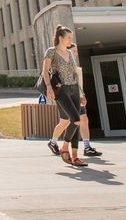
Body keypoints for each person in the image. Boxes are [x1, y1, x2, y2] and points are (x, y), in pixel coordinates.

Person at [42, 25, 87, 167]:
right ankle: (64, 147)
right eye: (68, 37)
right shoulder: (51, 52)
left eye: (71, 38)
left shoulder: (69, 53)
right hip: (61, 90)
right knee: (74, 119)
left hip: (74, 89)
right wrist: (49, 87)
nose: (70, 40)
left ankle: (75, 157)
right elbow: (45, 72)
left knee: (77, 122)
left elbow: (75, 73)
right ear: (60, 38)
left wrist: (81, 94)